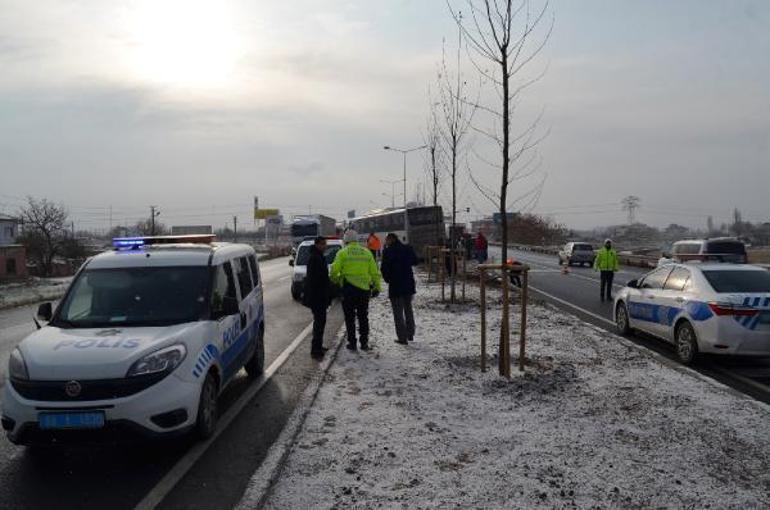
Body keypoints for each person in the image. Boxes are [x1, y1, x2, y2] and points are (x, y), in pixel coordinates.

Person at [331, 229, 382, 350]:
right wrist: (377, 287)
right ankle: (364, 343)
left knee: (350, 318)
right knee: (363, 317)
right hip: (364, 290)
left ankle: (352, 343)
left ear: (346, 240)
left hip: (348, 289)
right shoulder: (366, 252)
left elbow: (334, 271)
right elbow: (374, 272)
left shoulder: (342, 253)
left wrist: (336, 281)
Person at [381, 233, 417, 345]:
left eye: (386, 240)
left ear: (390, 240)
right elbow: (415, 261)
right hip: (408, 284)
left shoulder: (387, 252)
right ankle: (410, 333)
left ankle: (402, 337)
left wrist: (388, 279)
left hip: (395, 285)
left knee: (398, 313)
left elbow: (384, 269)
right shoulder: (407, 248)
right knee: (408, 309)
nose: (386, 242)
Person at [303, 236, 331, 359]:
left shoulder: (319, 256)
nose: (325, 246)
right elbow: (316, 280)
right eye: (323, 244)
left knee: (320, 322)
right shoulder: (315, 258)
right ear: (317, 244)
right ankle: (315, 349)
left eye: (325, 244)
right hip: (317, 297)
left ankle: (318, 346)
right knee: (319, 323)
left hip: (320, 296)